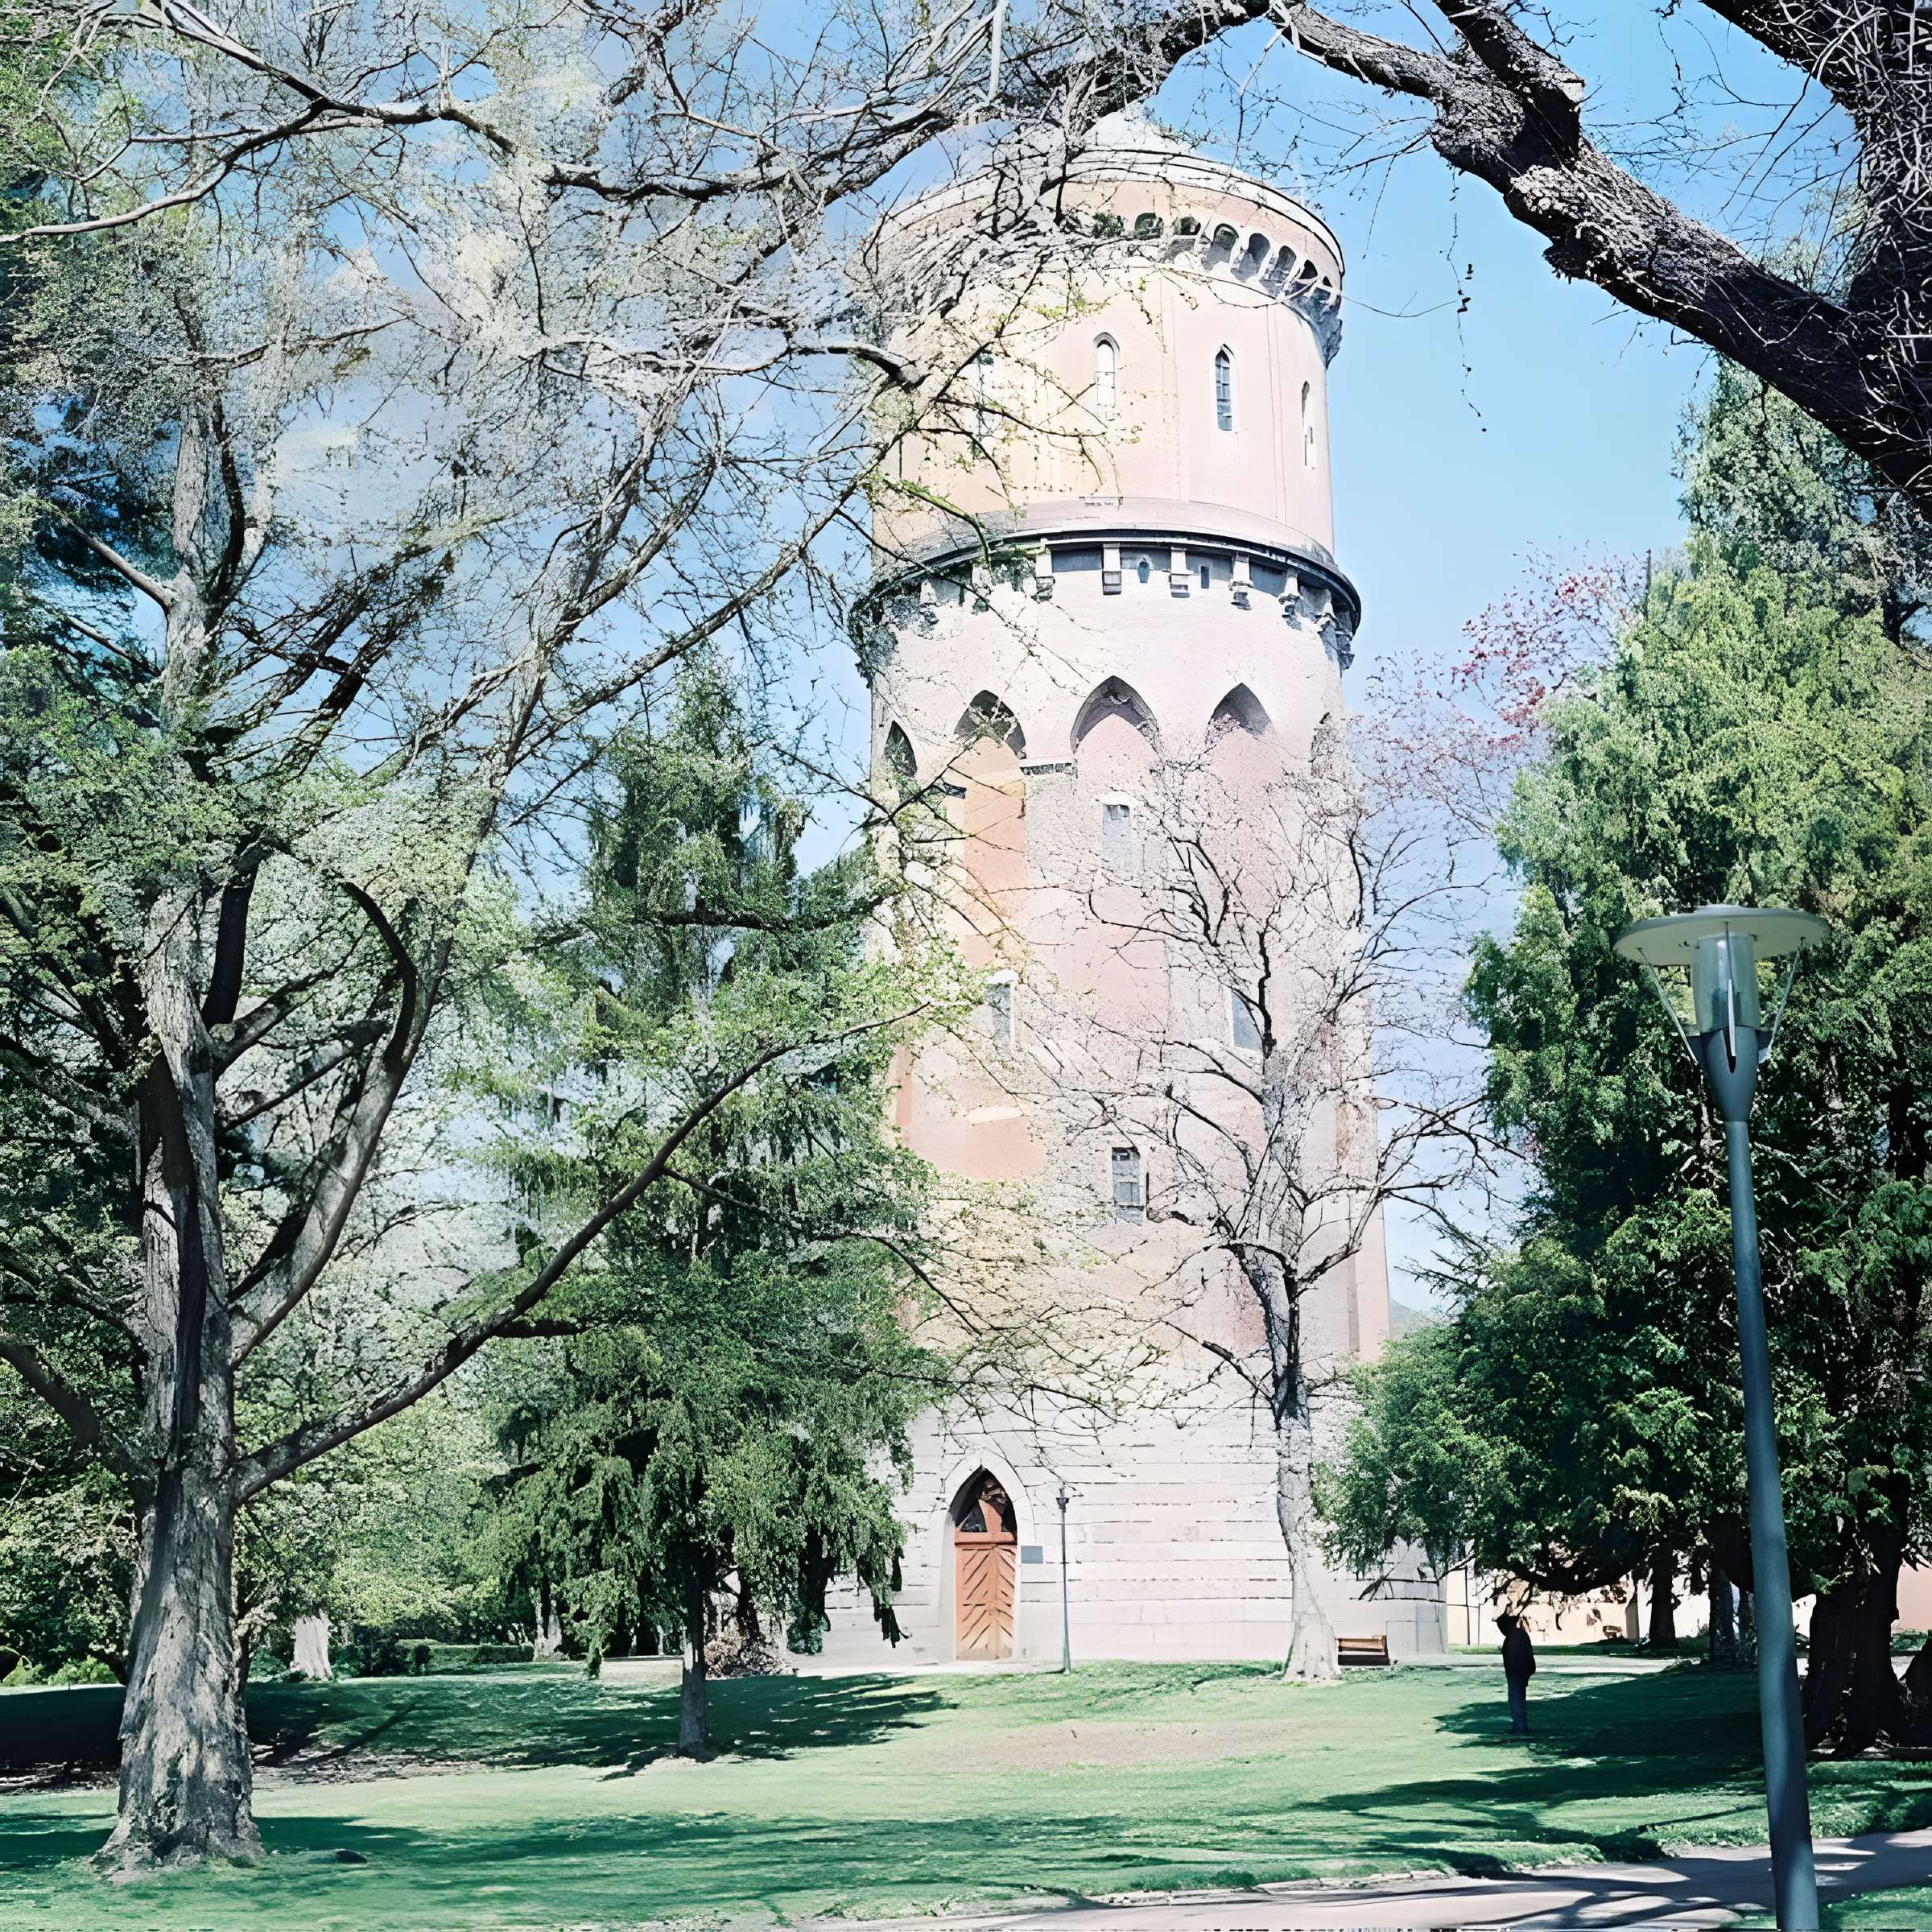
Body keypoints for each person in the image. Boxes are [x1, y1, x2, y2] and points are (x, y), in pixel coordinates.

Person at [1499, 1612, 1536, 1734]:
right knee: (1518, 1701)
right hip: (1520, 1673)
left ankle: (1520, 1729)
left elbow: (1514, 1658)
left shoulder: (1513, 1638)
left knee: (1516, 1701)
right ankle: (1520, 1728)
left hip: (1516, 1675)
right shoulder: (1520, 1635)